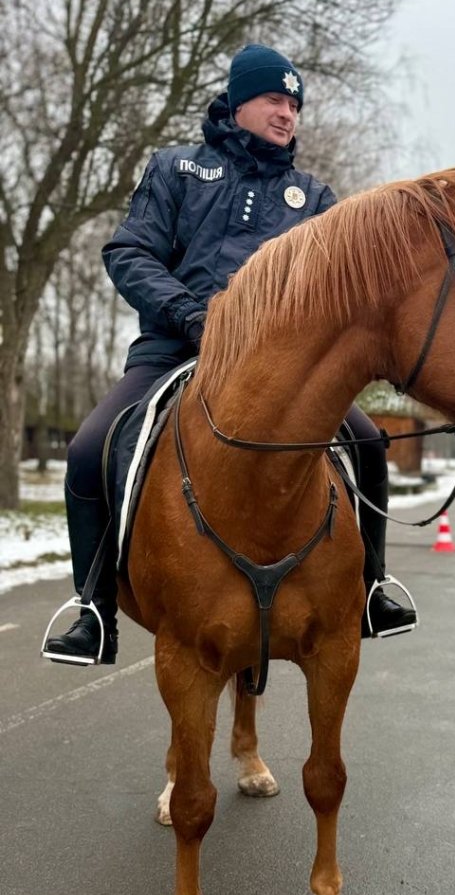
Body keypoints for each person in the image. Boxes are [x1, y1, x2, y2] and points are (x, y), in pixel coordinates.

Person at [43, 43, 415, 666]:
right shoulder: (175, 170)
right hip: (171, 351)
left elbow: (336, 296)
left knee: (370, 444)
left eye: (295, 104)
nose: (288, 113)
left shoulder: (312, 198)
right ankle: (94, 609)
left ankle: (373, 589)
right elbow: (128, 253)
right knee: (89, 449)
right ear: (239, 101)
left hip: (279, 371)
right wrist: (191, 315)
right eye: (275, 99)